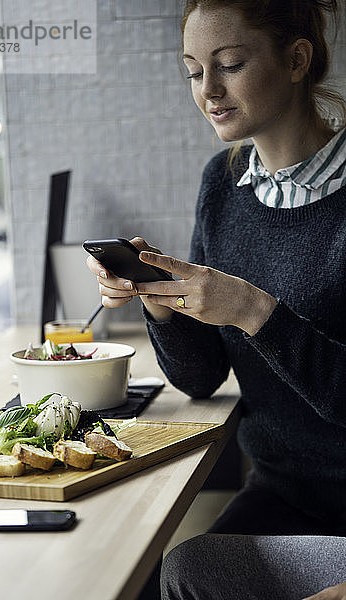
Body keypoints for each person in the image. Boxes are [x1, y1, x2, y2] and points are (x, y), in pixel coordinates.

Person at [87, 0, 346, 597]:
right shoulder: (224, 184)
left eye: (228, 64)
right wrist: (160, 299)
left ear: (297, 59)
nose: (209, 90)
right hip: (284, 497)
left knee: (185, 571)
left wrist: (254, 311)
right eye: (193, 70)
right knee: (158, 576)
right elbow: (201, 378)